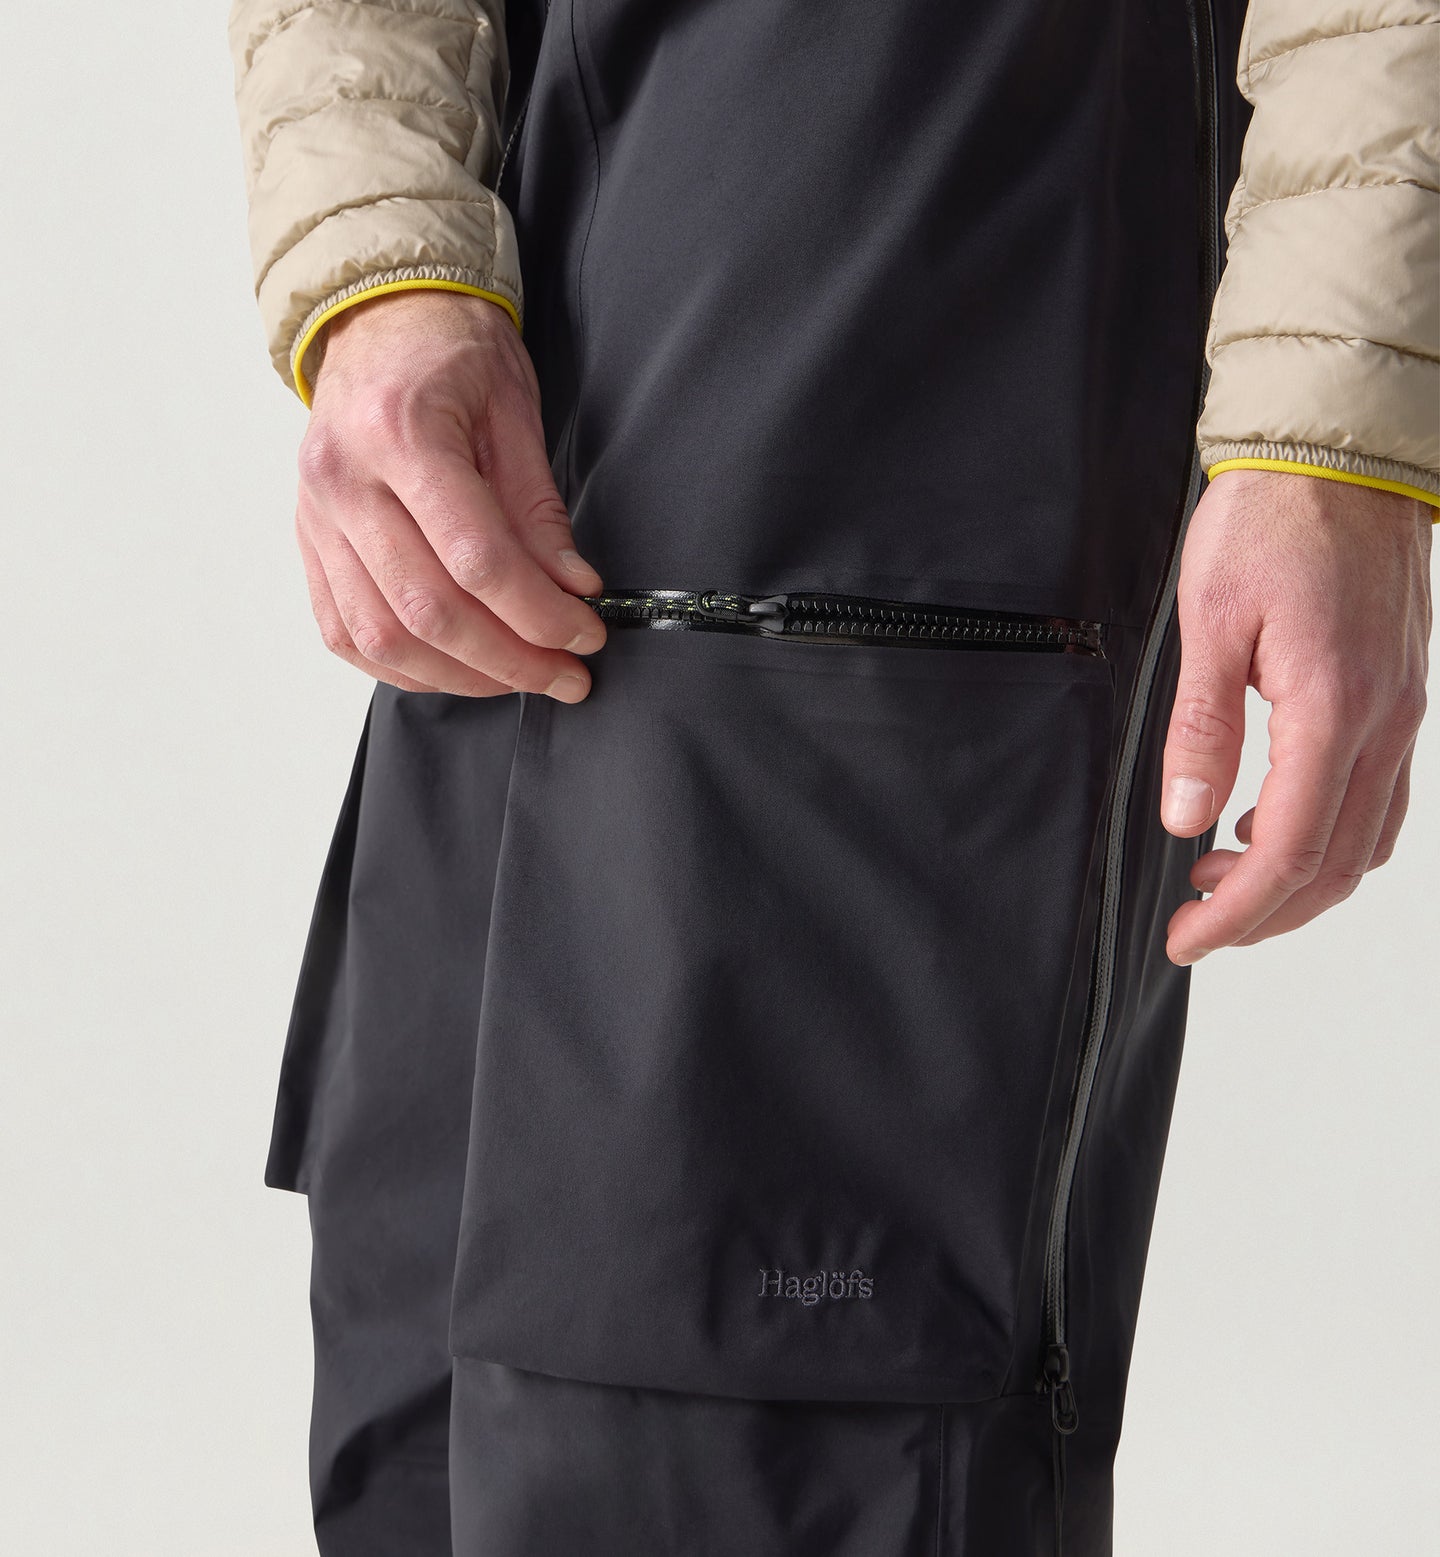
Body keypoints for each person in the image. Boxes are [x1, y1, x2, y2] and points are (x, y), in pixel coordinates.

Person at [226, 0, 1437, 1551]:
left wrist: (1336, 421)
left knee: (794, 1451)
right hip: (507, 483)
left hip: (930, 423)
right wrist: (378, 256)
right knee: (419, 1454)